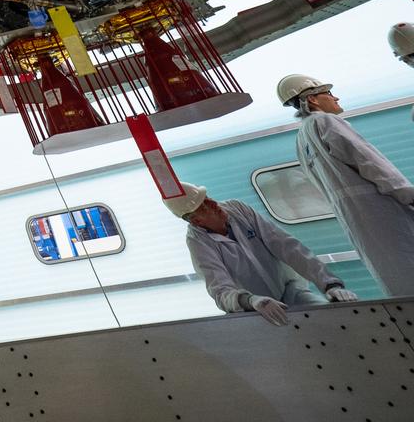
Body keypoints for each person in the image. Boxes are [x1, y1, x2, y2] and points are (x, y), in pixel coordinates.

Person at [278, 74, 414, 296]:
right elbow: (367, 160)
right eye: (328, 93)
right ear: (312, 99)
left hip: (355, 218)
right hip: (382, 207)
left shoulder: (302, 138)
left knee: (395, 273)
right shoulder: (326, 121)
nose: (336, 97)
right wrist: (408, 193)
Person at [164, 182, 357, 326]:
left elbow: (286, 245)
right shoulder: (198, 243)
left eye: (208, 197)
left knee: (330, 318)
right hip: (255, 309)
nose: (214, 203)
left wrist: (330, 283)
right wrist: (250, 301)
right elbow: (220, 291)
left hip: (289, 289)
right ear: (196, 221)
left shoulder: (238, 209)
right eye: (205, 204)